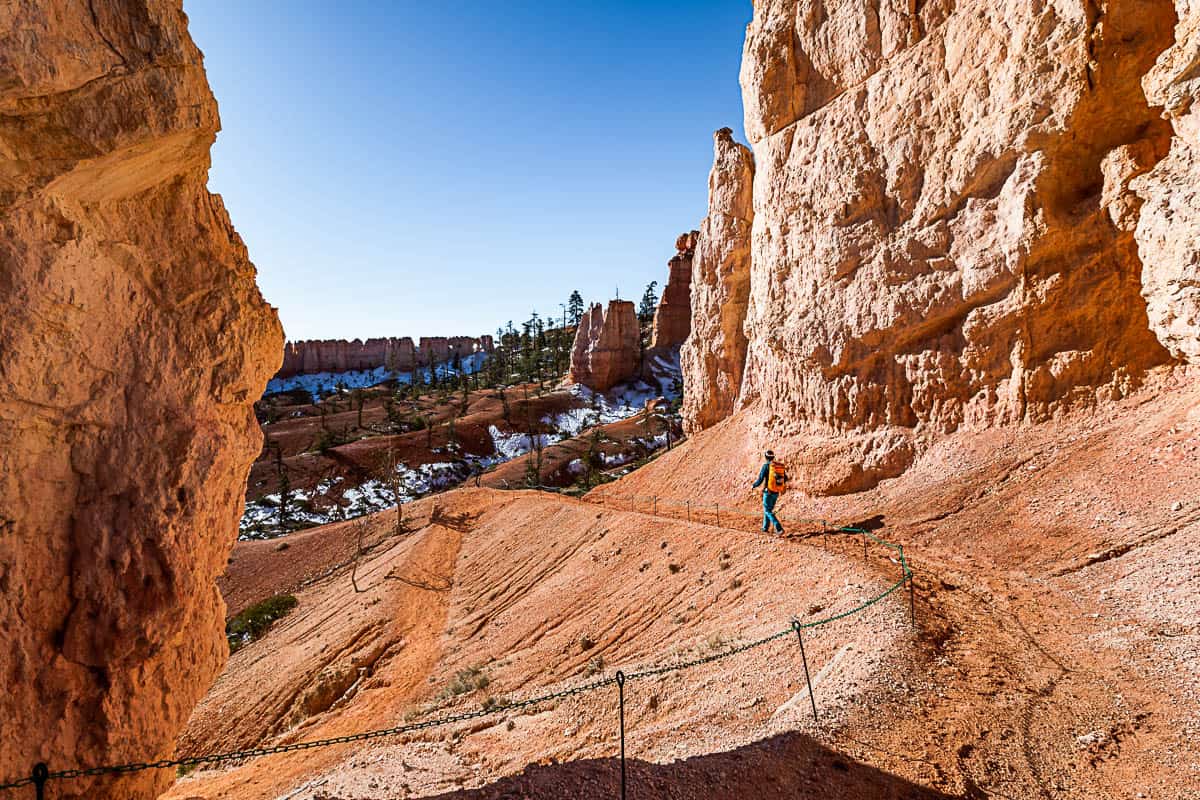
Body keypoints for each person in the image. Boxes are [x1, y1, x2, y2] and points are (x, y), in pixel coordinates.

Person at [751, 450, 785, 534]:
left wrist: (754, 485)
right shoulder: (778, 467)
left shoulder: (766, 466)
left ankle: (779, 527)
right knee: (768, 509)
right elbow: (786, 478)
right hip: (776, 492)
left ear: (766, 457)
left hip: (768, 491)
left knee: (767, 510)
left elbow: (760, 479)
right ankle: (765, 527)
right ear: (773, 457)